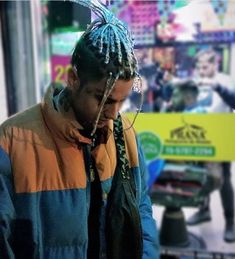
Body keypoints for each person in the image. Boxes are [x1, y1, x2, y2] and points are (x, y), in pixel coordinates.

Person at [0, 1, 159, 258]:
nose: (113, 113)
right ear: (73, 79)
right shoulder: (13, 140)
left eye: (122, 100)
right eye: (103, 98)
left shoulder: (125, 136)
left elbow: (142, 210)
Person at [186, 48, 235, 243]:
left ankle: (231, 222)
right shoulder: (197, 81)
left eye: (205, 66)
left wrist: (216, 87)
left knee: (223, 179)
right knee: (202, 174)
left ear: (214, 64)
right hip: (200, 135)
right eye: (199, 66)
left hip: (221, 135)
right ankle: (203, 210)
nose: (201, 70)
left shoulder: (224, 80)